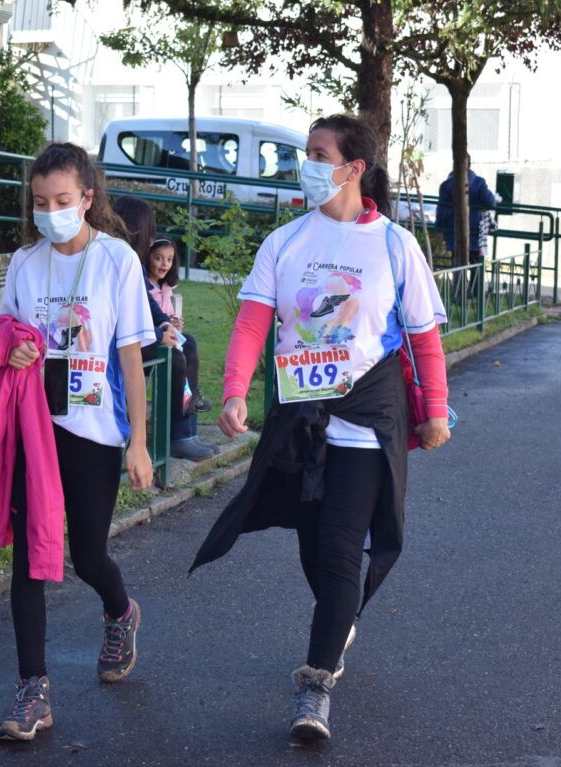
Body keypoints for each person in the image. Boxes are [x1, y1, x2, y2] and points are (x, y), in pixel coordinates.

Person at [190, 114, 451, 743]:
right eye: (307, 153)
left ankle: (315, 686)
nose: (306, 163)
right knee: (313, 544)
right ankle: (340, 620)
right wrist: (232, 392)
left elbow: (423, 337)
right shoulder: (286, 243)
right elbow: (253, 322)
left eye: (317, 153)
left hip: (366, 418)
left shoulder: (394, 245)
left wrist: (437, 409)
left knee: (339, 548)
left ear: (354, 168)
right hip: (300, 417)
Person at [0, 142, 156, 741]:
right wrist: (12, 351)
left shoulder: (117, 261)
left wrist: (138, 442)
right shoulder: (25, 265)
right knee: (30, 562)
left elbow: (132, 358)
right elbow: (7, 338)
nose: (51, 211)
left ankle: (120, 611)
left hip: (93, 432)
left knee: (86, 554)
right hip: (35, 432)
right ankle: (32, 690)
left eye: (63, 200)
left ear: (87, 198)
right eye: (40, 202)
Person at [112, 195, 220, 461]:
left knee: (188, 343)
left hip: (135, 338)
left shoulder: (131, 260)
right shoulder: (115, 257)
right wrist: (158, 335)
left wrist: (163, 324)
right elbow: (121, 313)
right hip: (118, 344)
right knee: (173, 356)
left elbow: (146, 301)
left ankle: (188, 430)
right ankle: (178, 435)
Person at [145, 234, 214, 414]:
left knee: (189, 342)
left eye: (169, 259)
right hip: (151, 338)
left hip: (166, 335)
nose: (164, 264)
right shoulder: (144, 287)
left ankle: (190, 396)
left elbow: (164, 315)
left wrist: (173, 321)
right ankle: (182, 403)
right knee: (178, 353)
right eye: (158, 258)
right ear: (147, 257)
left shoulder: (166, 288)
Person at [435, 156, 497, 273]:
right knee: (475, 267)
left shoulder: (446, 185)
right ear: (470, 165)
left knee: (457, 267)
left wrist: (439, 227)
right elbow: (490, 202)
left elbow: (441, 211)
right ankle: (474, 291)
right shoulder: (479, 183)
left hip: (453, 233)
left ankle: (458, 290)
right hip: (474, 233)